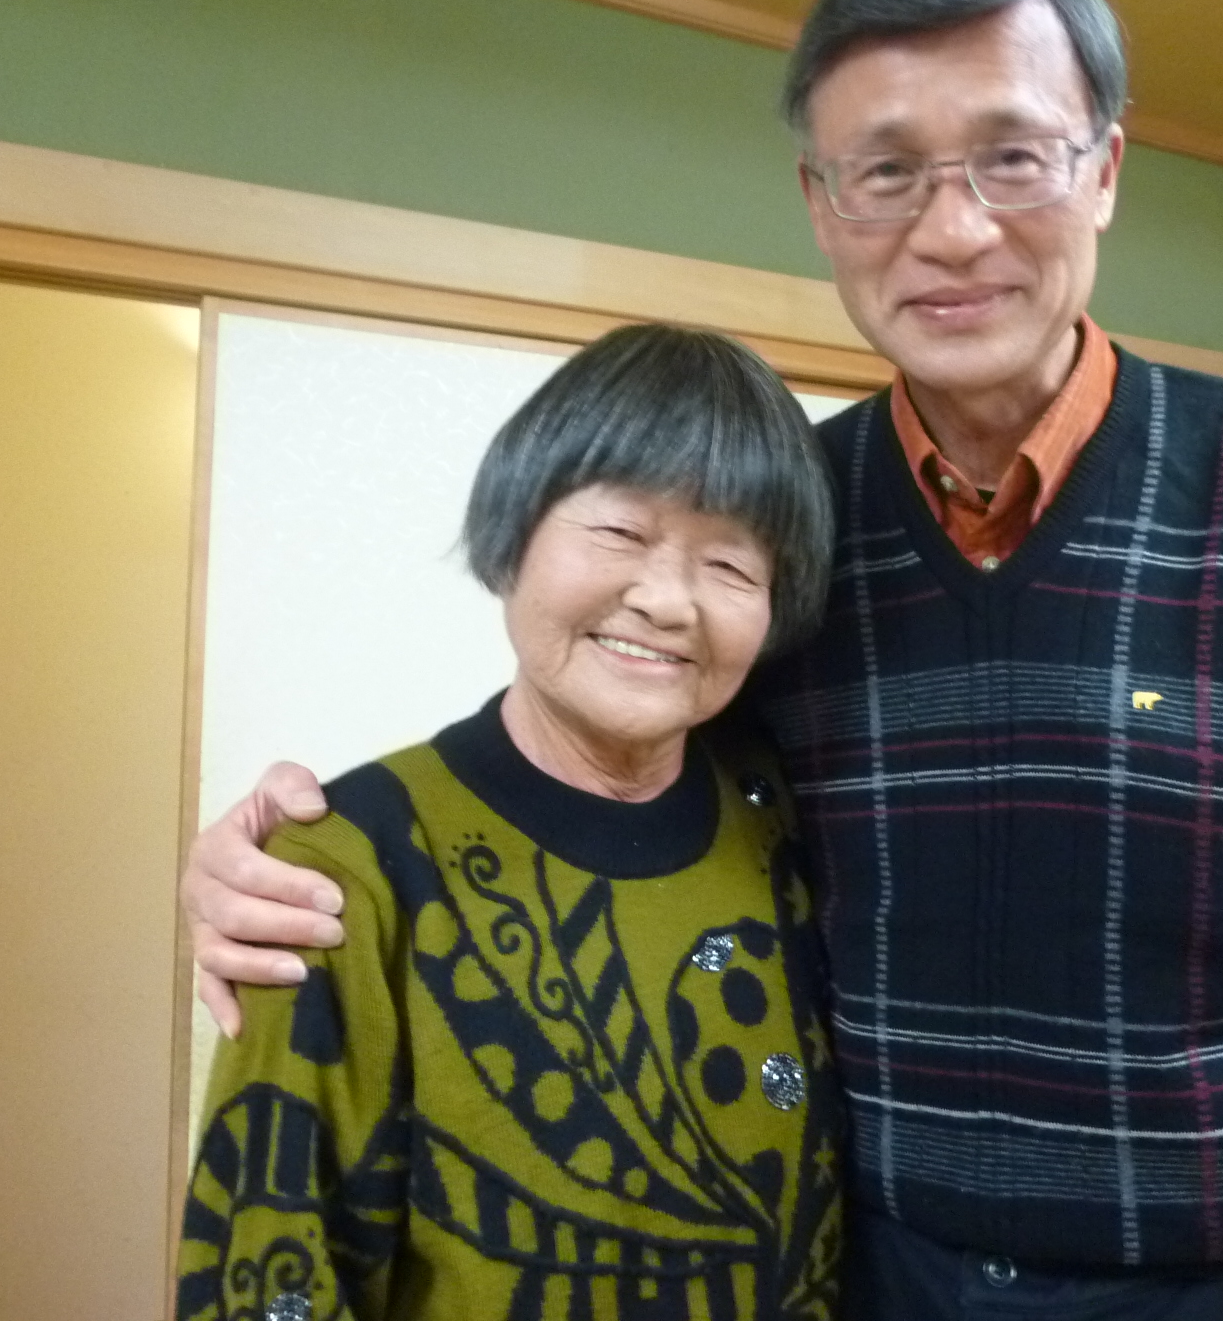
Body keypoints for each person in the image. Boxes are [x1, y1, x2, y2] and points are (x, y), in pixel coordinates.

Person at [184, 0, 1223, 1320]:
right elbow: (618, 782)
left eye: (1013, 156)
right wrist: (308, 864)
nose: (953, 230)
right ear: (823, 206)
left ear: (1105, 172)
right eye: (886, 172)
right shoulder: (779, 525)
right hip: (881, 1283)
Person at [177, 324, 845, 1321]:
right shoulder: (344, 869)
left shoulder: (782, 813)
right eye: (619, 533)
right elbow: (270, 1267)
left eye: (731, 566)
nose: (668, 601)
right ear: (514, 534)